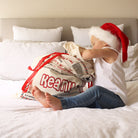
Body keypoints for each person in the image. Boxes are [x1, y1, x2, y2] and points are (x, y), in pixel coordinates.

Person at [31, 23, 129, 111]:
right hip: (102, 99)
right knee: (82, 96)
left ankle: (62, 104)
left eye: (94, 44)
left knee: (96, 90)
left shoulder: (111, 52)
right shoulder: (101, 57)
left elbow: (88, 54)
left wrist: (76, 50)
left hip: (116, 99)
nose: (92, 47)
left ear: (106, 42)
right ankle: (52, 101)